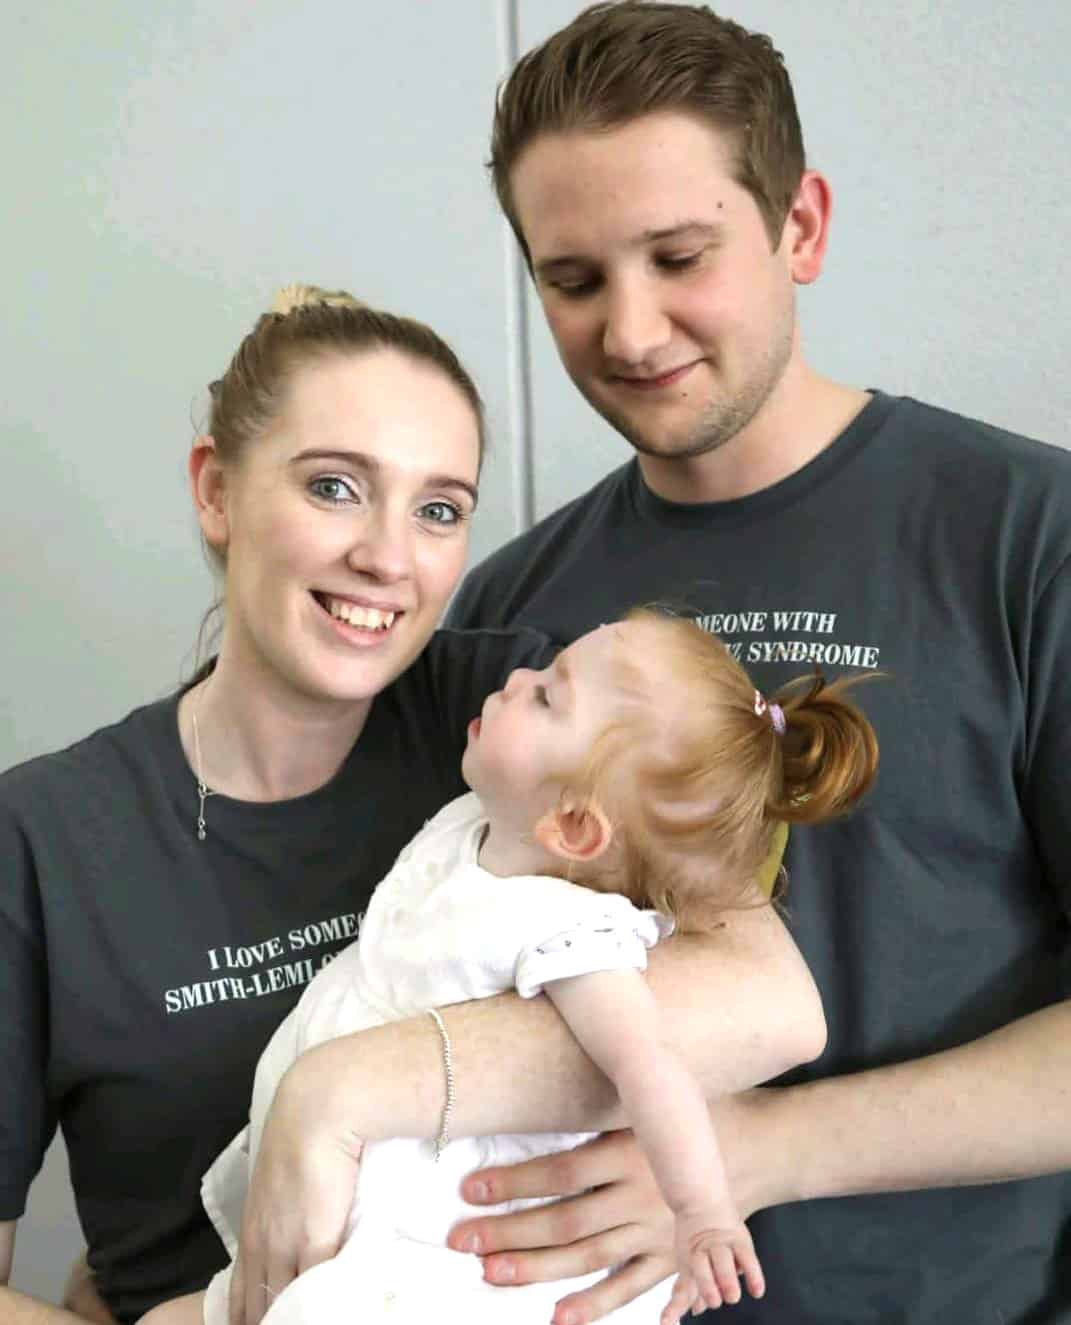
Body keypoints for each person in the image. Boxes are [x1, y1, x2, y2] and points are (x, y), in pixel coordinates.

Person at [0, 283, 824, 1325]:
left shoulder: (509, 723)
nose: (389, 557)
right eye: (336, 487)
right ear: (216, 490)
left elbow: (774, 1003)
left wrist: (340, 1090)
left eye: (439, 508)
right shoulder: (42, 840)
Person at [431, 4, 1071, 1323]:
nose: (629, 327)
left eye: (677, 255)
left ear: (799, 227)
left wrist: (766, 1150)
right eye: (571, 279)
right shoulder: (503, 614)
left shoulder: (1023, 539)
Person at [139, 608, 877, 1325]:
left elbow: (649, 1067)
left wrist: (703, 1210)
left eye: (548, 694)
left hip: (427, 1262)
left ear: (575, 825)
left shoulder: (570, 934)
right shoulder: (475, 823)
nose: (518, 678)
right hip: (341, 1219)